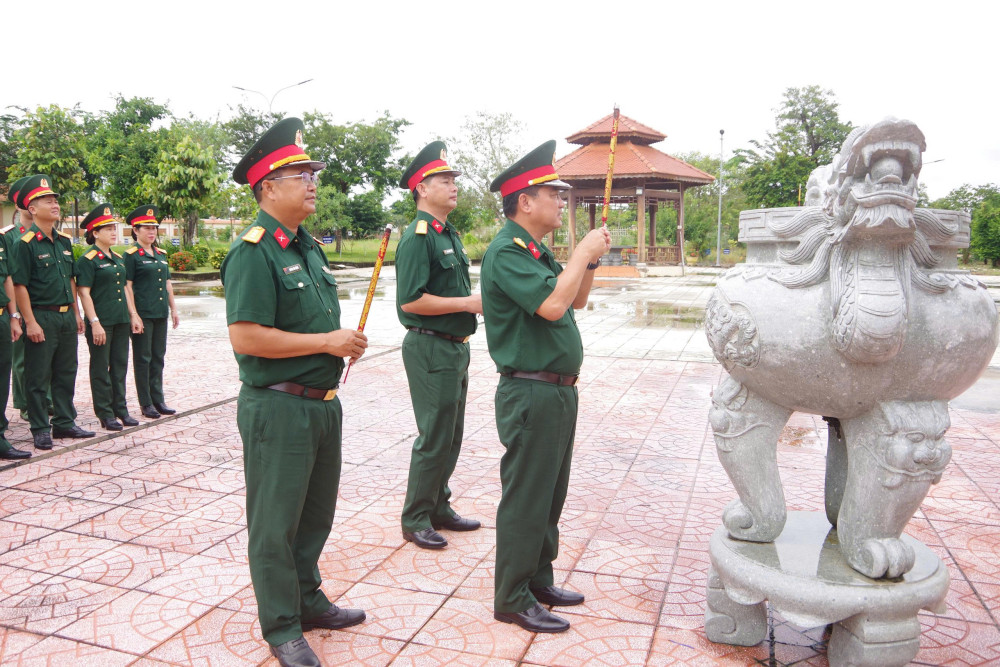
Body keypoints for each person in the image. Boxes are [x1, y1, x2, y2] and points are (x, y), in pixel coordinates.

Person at [221, 117, 369, 667]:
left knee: (314, 515)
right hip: (277, 406)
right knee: (275, 521)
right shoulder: (253, 251)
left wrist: (339, 345)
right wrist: (326, 340)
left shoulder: (307, 249)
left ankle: (308, 600)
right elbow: (247, 336)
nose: (311, 181)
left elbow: (311, 329)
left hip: (320, 405)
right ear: (266, 188)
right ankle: (281, 625)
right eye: (298, 173)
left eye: (311, 172)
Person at [480, 141, 611, 633]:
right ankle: (511, 595)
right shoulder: (507, 252)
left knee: (550, 493)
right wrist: (580, 252)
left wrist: (589, 262)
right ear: (524, 201)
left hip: (556, 390)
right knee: (527, 495)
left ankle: (538, 578)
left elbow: (573, 299)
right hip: (530, 391)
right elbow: (551, 308)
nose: (561, 200)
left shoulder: (535, 251)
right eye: (551, 193)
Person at [395, 141, 482, 550]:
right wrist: (467, 303)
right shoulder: (418, 237)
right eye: (443, 180)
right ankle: (415, 517)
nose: (453, 185)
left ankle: (438, 506)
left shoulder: (449, 234)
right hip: (429, 346)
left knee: (451, 434)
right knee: (433, 436)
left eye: (452, 179)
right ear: (421, 189)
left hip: (454, 345)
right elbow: (411, 300)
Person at [11, 175, 95, 450]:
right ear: (32, 209)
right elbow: (20, 285)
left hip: (65, 317)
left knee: (66, 371)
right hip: (41, 316)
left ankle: (64, 422)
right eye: (47, 200)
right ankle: (39, 428)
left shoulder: (64, 241)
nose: (55, 204)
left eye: (55, 199)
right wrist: (30, 322)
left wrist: (76, 313)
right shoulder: (24, 243)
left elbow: (70, 279)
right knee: (38, 375)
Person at [75, 204, 142, 431]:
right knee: (100, 368)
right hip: (102, 322)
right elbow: (83, 292)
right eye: (107, 228)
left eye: (114, 227)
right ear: (95, 233)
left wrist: (133, 314)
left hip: (121, 319)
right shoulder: (88, 260)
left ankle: (120, 409)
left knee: (119, 365)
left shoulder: (118, 257)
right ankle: (105, 413)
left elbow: (124, 288)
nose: (114, 232)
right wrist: (94, 323)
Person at [123, 205, 178, 419]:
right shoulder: (131, 256)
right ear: (135, 231)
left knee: (158, 357)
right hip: (143, 314)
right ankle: (145, 403)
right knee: (143, 358)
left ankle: (158, 399)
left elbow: (167, 283)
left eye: (154, 228)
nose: (151, 232)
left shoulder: (161, 254)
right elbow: (127, 286)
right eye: (146, 228)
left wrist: (173, 309)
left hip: (159, 313)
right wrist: (133, 314)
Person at [3, 176, 34, 422]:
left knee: (47, 358)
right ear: (19, 205)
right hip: (19, 306)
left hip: (44, 303)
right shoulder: (9, 236)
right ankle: (24, 402)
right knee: (21, 357)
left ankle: (46, 399)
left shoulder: (51, 235)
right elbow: (9, 276)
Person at [0, 179, 26, 460]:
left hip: (4, 316)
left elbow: (7, 277)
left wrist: (13, 315)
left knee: (2, 375)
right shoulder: (7, 235)